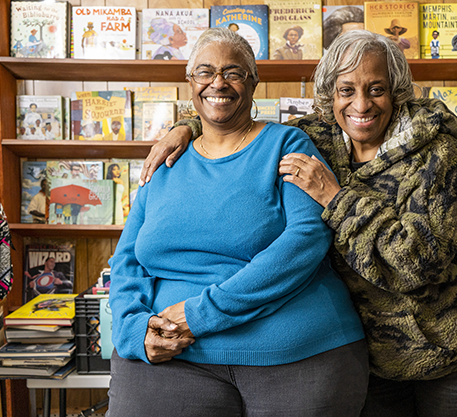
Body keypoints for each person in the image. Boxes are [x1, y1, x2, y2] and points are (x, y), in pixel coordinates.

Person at [141, 30, 457, 417]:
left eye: (376, 89)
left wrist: (336, 198)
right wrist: (187, 127)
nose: (361, 104)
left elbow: (418, 264)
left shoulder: (437, 157)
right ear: (329, 96)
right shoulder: (316, 136)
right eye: (346, 90)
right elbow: (235, 115)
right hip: (379, 350)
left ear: (396, 92)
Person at [107, 27, 368, 417]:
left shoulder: (286, 145)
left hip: (295, 351)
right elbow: (128, 259)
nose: (218, 82)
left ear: (253, 82)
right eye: (205, 72)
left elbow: (307, 238)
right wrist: (130, 330)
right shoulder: (164, 161)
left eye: (233, 72)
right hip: (172, 355)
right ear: (189, 82)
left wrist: (200, 314)